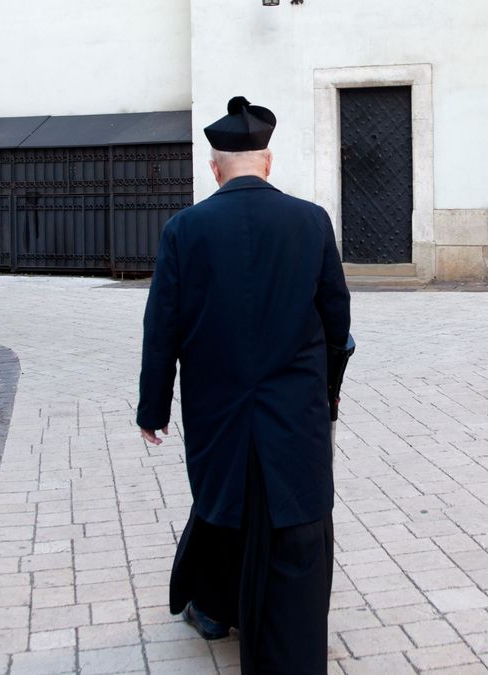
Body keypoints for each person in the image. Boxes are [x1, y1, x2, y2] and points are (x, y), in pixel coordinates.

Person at [137, 96, 351, 674]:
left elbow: (163, 328)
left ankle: (214, 608)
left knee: (223, 506)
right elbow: (337, 319)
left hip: (216, 410)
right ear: (268, 161)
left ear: (214, 168)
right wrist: (327, 391)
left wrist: (152, 408)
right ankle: (289, 643)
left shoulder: (185, 228)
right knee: (295, 520)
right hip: (294, 409)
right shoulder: (311, 221)